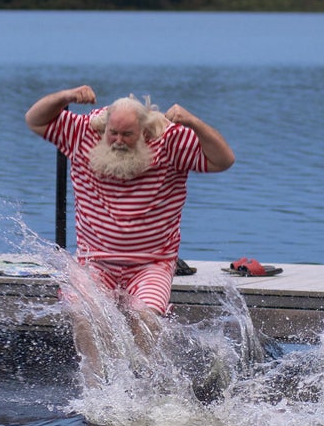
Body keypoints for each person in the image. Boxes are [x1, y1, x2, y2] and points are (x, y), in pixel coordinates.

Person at [25, 85, 236, 384]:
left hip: (151, 265)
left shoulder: (170, 140)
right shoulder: (83, 133)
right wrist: (66, 97)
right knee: (84, 313)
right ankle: (98, 385)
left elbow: (224, 160)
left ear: (145, 133)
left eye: (128, 135)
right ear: (104, 127)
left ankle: (151, 386)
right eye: (114, 133)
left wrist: (193, 122)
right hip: (95, 263)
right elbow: (35, 119)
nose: (119, 142)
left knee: (145, 318)